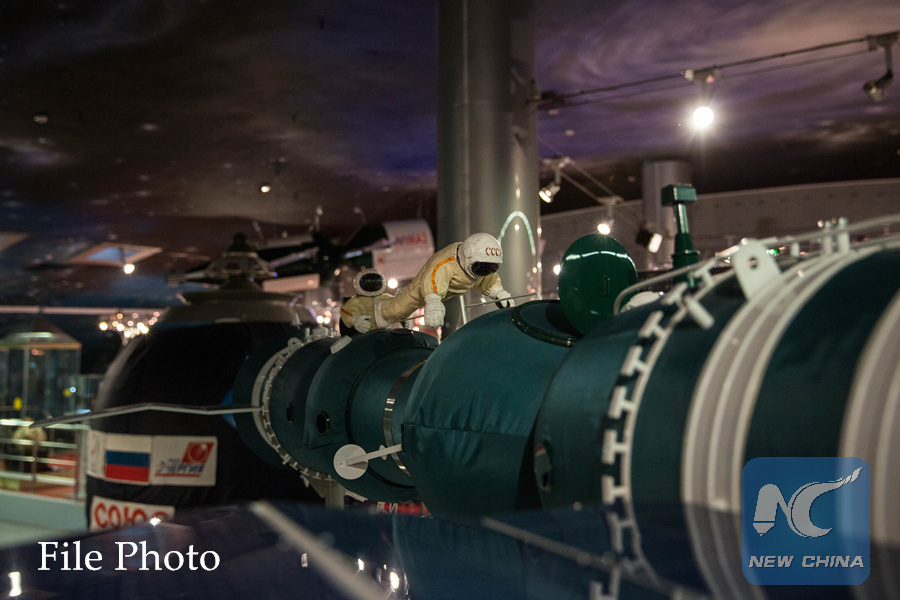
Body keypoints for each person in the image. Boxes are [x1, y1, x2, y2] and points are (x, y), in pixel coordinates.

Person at [374, 232, 514, 329]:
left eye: (491, 268)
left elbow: (487, 279)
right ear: (467, 255)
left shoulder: (479, 264)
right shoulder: (444, 264)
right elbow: (432, 281)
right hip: (428, 286)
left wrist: (498, 292)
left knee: (407, 307)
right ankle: (382, 309)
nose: (485, 272)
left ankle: (401, 303)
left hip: (447, 290)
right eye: (481, 267)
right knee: (400, 308)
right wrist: (433, 303)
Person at [339, 268, 392, 334]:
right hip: (364, 335)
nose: (372, 285)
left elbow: (398, 305)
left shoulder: (386, 297)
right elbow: (345, 311)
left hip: (384, 332)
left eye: (375, 281)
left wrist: (402, 318)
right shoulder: (355, 301)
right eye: (368, 282)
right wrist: (355, 319)